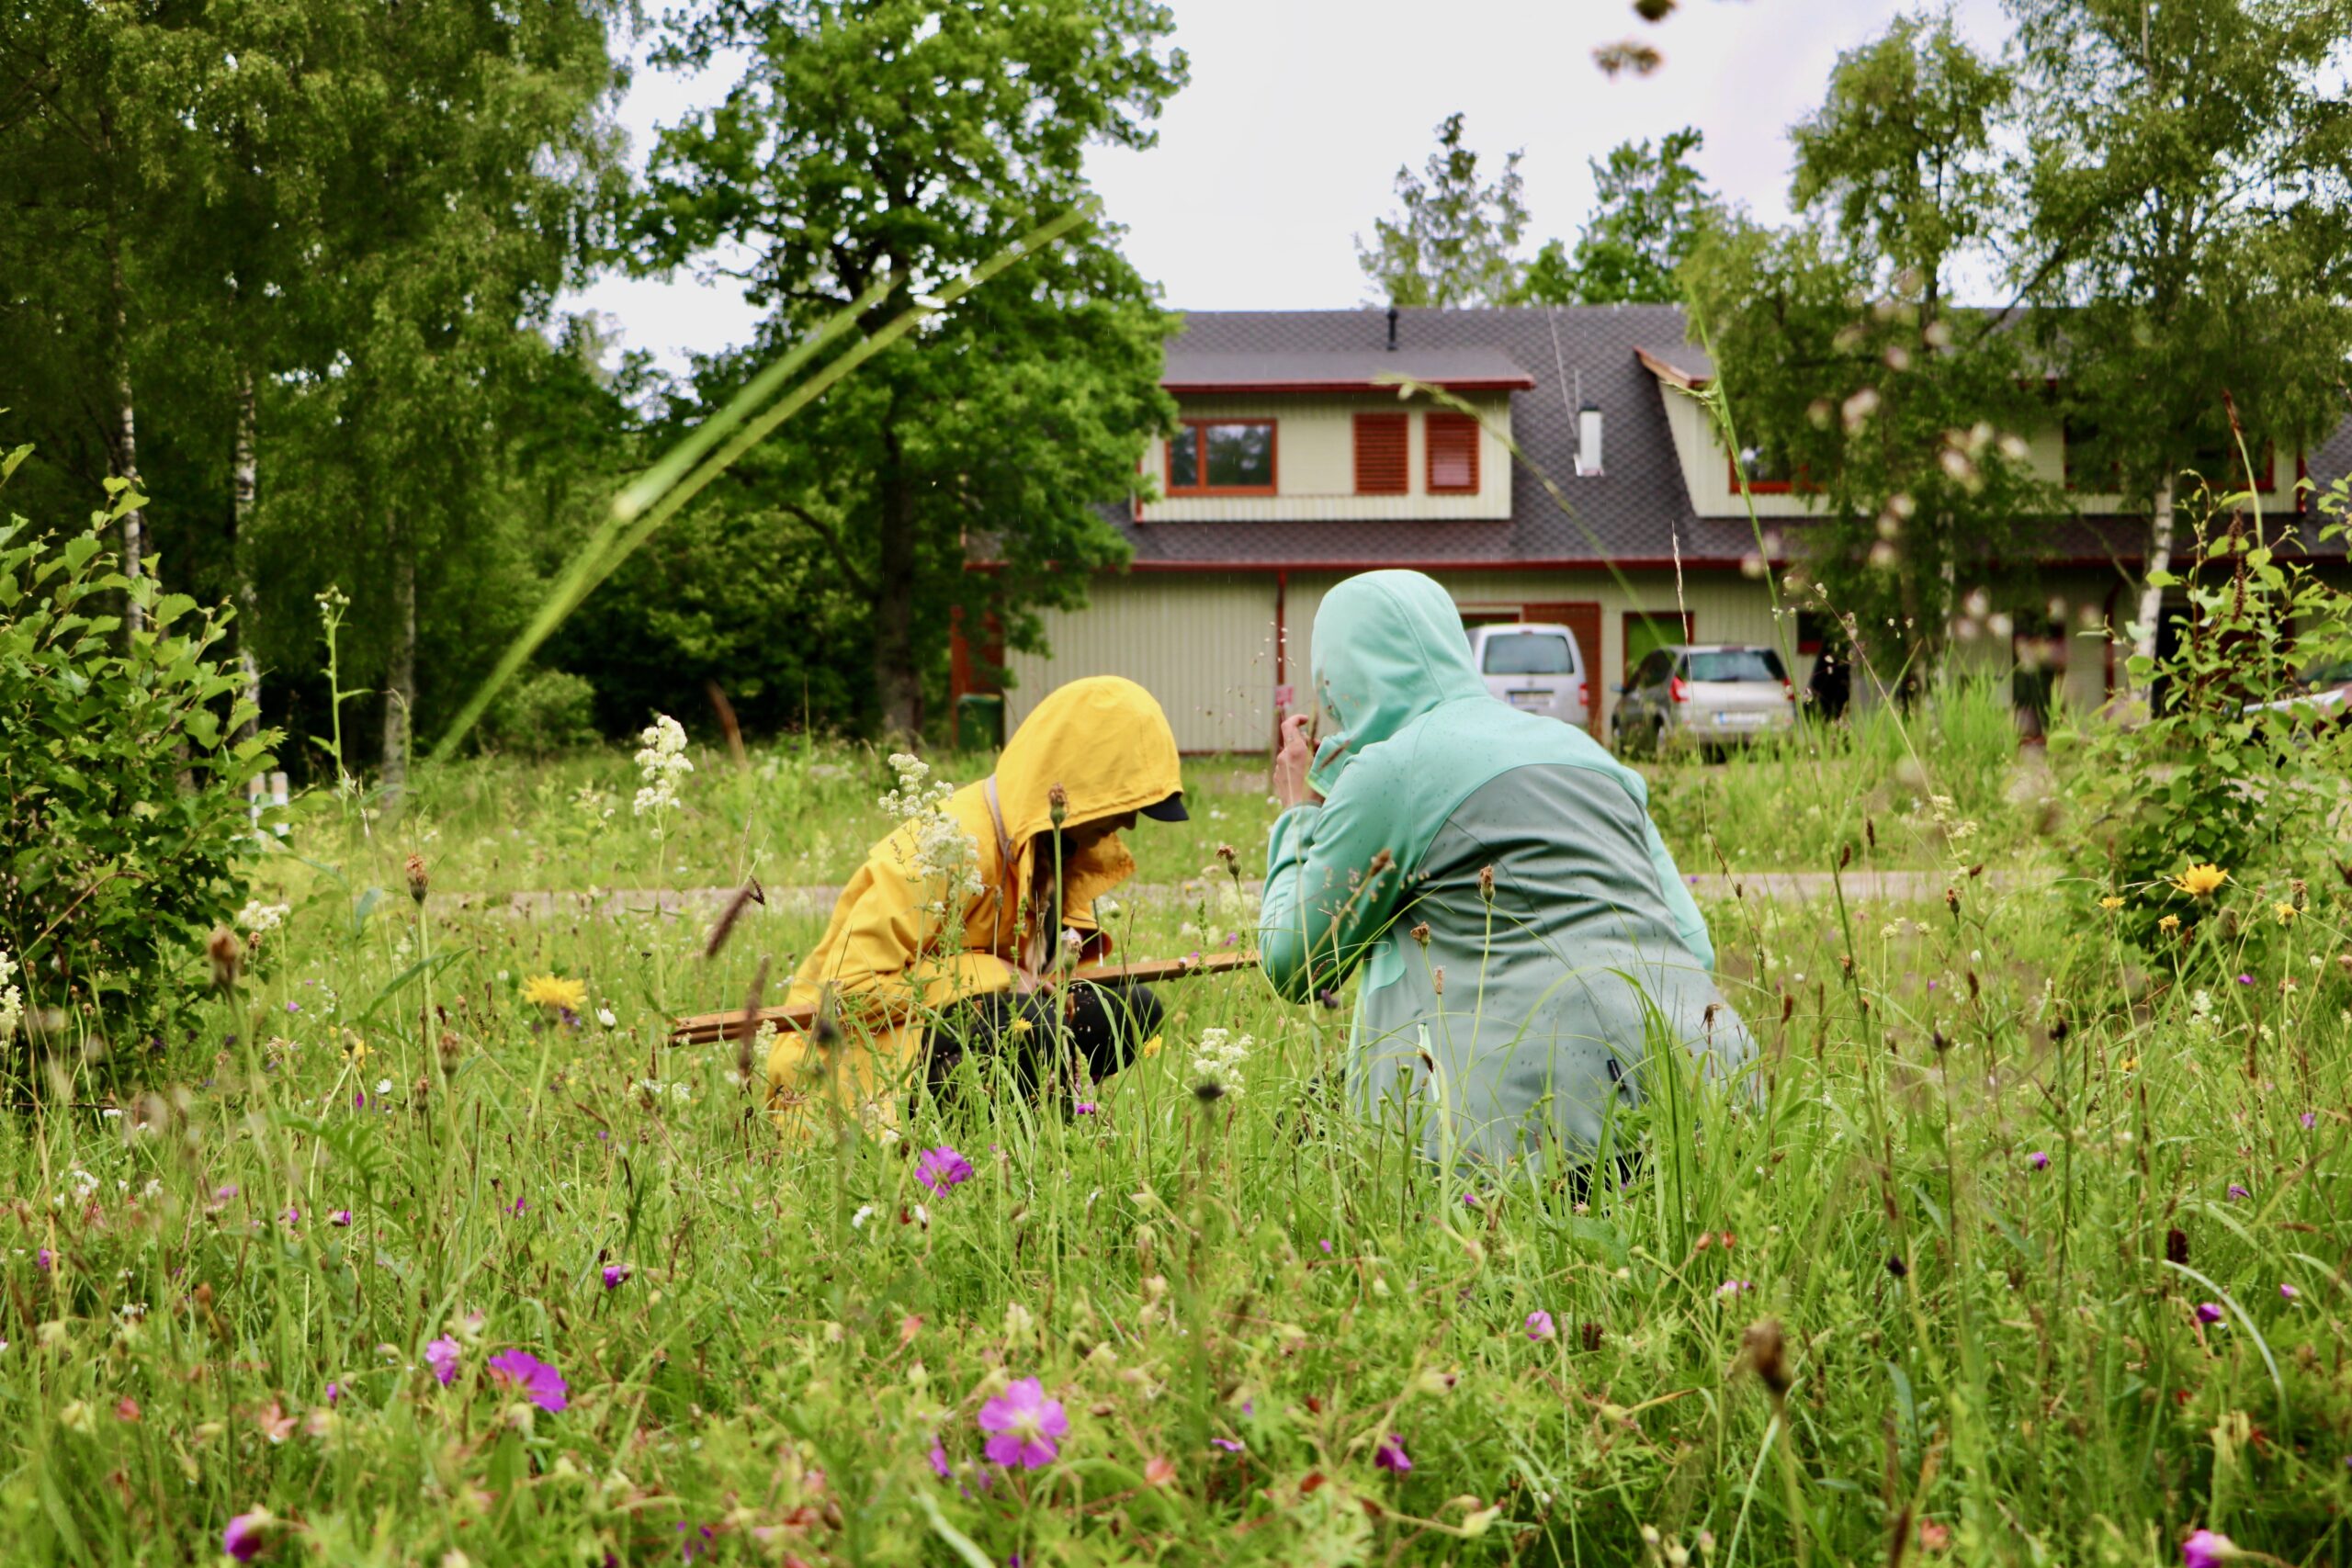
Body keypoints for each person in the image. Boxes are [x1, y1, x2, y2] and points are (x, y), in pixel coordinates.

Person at [1259, 570, 1751, 1170]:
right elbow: (1693, 943)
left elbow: (1294, 962)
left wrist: (1298, 814)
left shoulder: (1390, 769)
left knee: (1304, 1135)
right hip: (1703, 1101)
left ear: (1335, 683)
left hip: (1536, 1134)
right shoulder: (1584, 752)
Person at [765, 676, 1185, 1138]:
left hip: (960, 1032)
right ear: (1078, 787)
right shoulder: (942, 845)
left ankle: (1035, 1142)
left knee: (1130, 1010)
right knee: (1032, 1026)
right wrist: (995, 977)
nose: (1129, 822)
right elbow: (846, 990)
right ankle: (947, 1156)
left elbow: (1052, 985)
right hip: (852, 1067)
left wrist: (1049, 984)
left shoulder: (1055, 849)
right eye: (1124, 805)